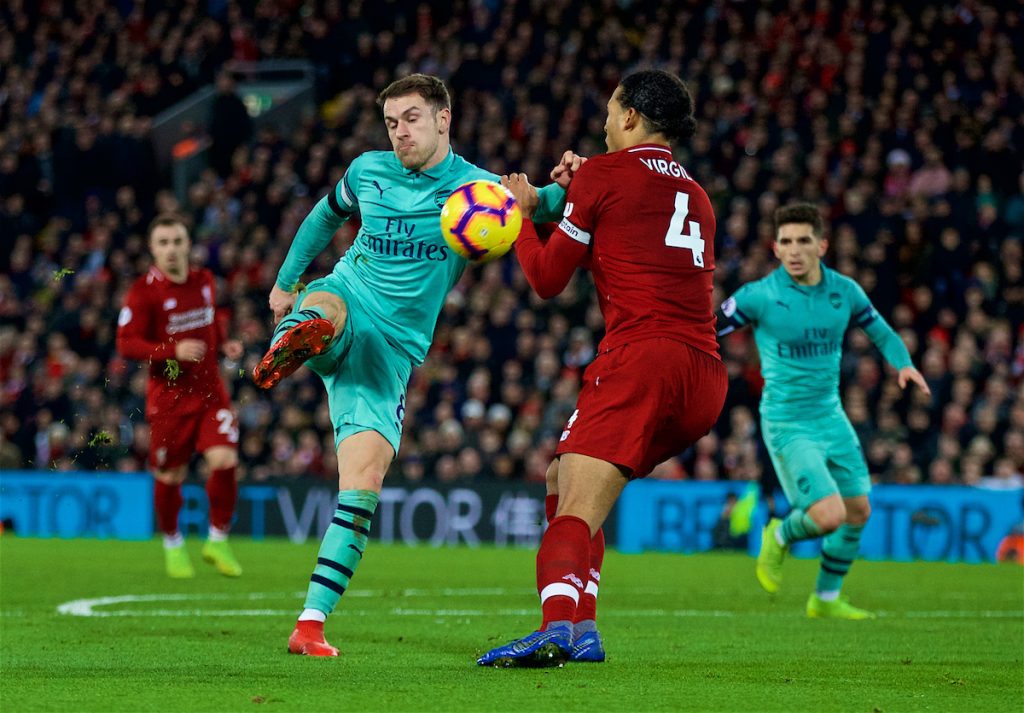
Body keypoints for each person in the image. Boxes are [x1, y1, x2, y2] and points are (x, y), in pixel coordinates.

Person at [250, 73, 579, 657]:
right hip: (349, 294)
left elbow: (547, 207)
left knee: (364, 484)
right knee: (325, 310)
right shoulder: (366, 171)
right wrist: (284, 282)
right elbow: (324, 218)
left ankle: (310, 624)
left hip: (393, 351)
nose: (400, 133)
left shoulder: (476, 191)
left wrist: (573, 182)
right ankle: (299, 333)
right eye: (392, 123)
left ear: (443, 118)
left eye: (411, 119)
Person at [477, 69, 727, 667]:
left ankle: (554, 630)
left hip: (642, 358)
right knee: (562, 478)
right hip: (703, 377)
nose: (605, 125)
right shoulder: (696, 193)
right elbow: (613, 237)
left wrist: (518, 215)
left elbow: (545, 278)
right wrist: (558, 207)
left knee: (574, 510)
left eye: (611, 113)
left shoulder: (603, 174)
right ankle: (583, 629)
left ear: (633, 118)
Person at [716, 202, 931, 619]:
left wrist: (903, 363)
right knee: (829, 515)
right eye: (785, 242)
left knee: (858, 511)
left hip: (831, 417)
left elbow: (882, 333)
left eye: (803, 241)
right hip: (787, 422)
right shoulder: (759, 296)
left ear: (822, 245)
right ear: (775, 249)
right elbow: (707, 330)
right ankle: (779, 534)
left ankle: (825, 598)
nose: (794, 250)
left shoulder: (844, 291)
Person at [116, 215, 244, 578]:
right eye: (163, 243)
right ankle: (172, 543)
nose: (171, 249)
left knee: (224, 458)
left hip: (210, 392)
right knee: (170, 475)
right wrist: (171, 350)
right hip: (170, 398)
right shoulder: (143, 292)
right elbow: (126, 343)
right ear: (153, 249)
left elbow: (212, 318)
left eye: (177, 241)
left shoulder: (204, 280)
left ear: (188, 244)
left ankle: (217, 539)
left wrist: (225, 342)